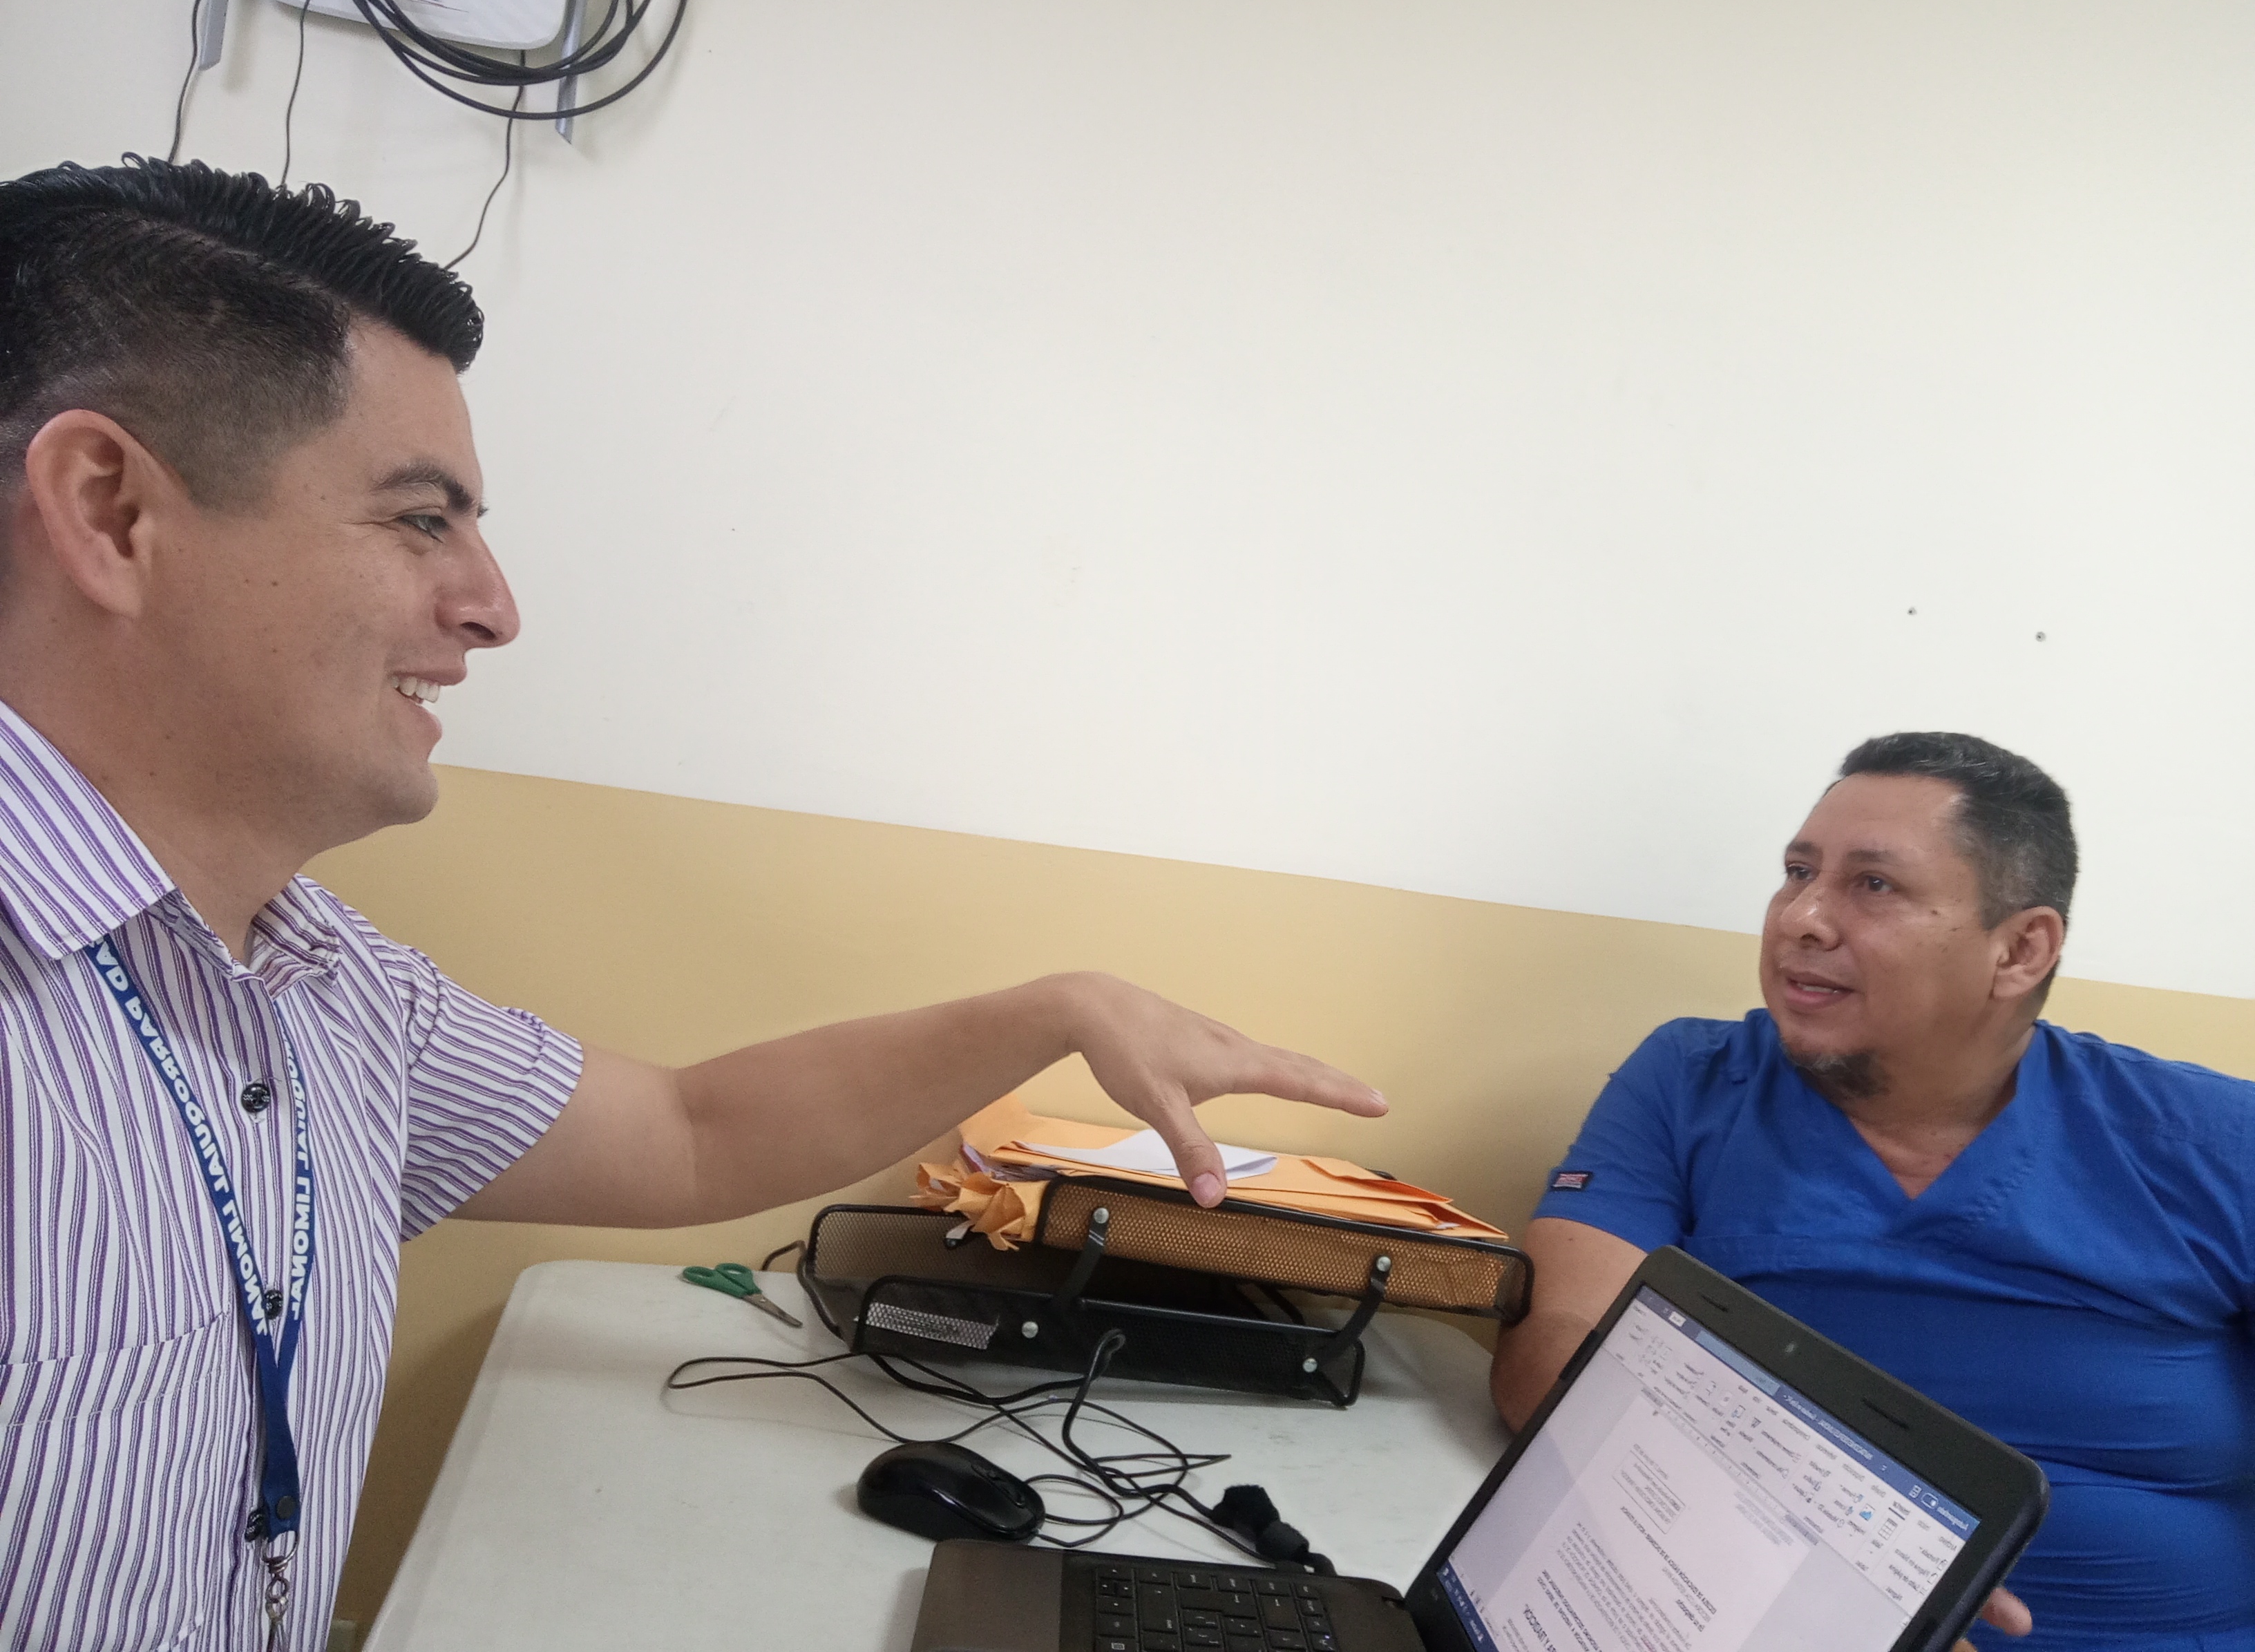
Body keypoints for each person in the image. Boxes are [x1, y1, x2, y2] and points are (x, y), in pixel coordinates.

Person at [0, 158, 1387, 1651]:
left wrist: (1060, 1010)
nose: (493, 606)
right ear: (113, 514)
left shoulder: (320, 984)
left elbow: (690, 1131)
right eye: (419, 519)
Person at [1493, 731, 2255, 1651]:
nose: (1801, 918)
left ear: (2021, 950)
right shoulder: (1693, 1083)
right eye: (1797, 873)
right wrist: (1853, 1568)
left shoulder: (2216, 1141)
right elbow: (1556, 1348)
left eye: (1874, 885)